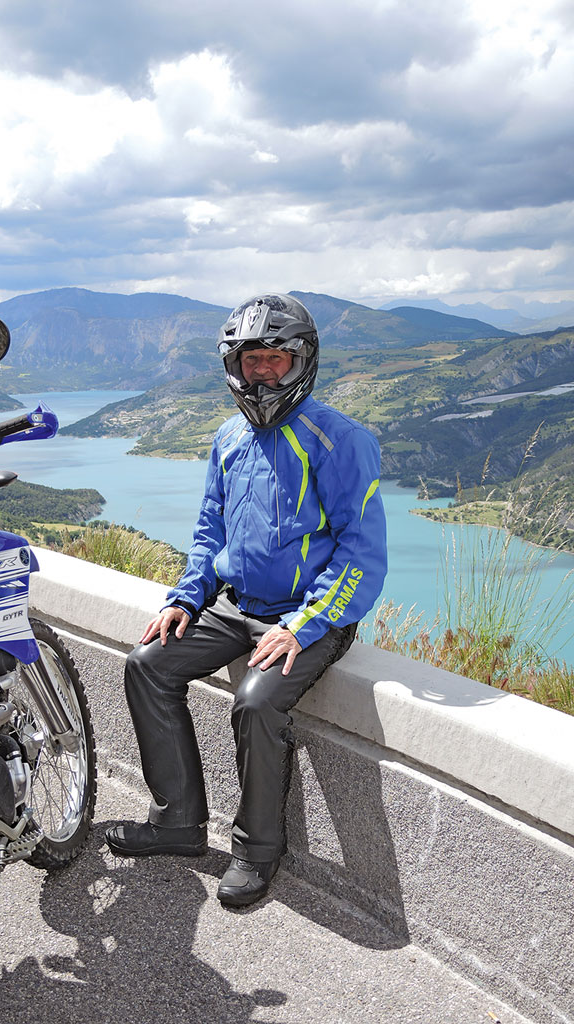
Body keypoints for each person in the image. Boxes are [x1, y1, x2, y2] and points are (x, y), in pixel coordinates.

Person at [105, 293, 387, 907]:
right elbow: (211, 531)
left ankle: (258, 851)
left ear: (301, 362)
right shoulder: (228, 438)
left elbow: (361, 554)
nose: (261, 371)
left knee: (256, 702)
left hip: (309, 616)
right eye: (249, 358)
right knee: (147, 664)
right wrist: (186, 598)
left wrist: (306, 624)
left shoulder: (341, 441)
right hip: (236, 605)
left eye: (275, 360)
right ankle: (178, 823)